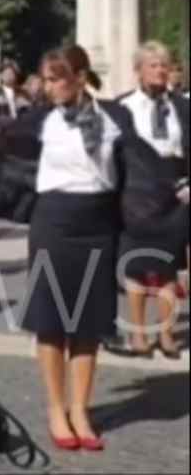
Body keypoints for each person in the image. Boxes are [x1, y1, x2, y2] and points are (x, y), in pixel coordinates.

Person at [0, 48, 129, 452]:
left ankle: (81, 409)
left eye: (55, 78)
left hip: (98, 223)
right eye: (44, 79)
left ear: (80, 77)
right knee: (52, 319)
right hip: (54, 222)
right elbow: (1, 158)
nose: (47, 87)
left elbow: (131, 169)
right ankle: (56, 408)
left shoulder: (113, 118)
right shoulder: (39, 121)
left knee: (89, 321)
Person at [115, 41, 189, 360]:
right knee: (138, 267)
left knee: (169, 267)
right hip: (138, 192)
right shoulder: (123, 107)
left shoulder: (182, 106)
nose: (160, 71)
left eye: (164, 65)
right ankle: (137, 334)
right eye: (153, 65)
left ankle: (167, 333)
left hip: (175, 193)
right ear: (138, 71)